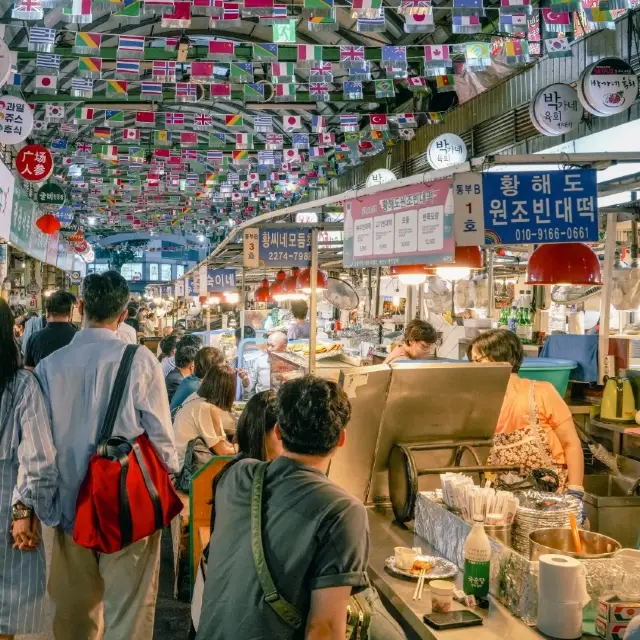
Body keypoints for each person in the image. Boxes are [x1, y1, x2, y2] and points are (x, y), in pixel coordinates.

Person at [34, 271, 178, 640]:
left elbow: (39, 443)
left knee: (74, 616)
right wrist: (167, 479)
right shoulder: (141, 360)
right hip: (128, 508)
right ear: (125, 313)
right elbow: (163, 439)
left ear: (81, 307)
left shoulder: (50, 367)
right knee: (128, 614)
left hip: (70, 508)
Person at [195, 376, 368, 640]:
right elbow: (325, 629)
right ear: (341, 438)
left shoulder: (237, 474)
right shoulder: (344, 512)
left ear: (278, 431)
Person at [0, 299, 59, 640]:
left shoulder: (22, 384)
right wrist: (23, 509)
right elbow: (39, 458)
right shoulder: (22, 385)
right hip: (8, 510)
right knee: (6, 608)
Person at [470, 329, 584, 497]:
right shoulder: (480, 403)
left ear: (500, 358)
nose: (473, 368)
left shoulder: (542, 393)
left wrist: (576, 490)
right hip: (505, 497)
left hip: (551, 494)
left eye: (477, 360)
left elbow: (571, 444)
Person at [173, 365, 237, 472]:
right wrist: (239, 447)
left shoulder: (195, 397)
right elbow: (223, 452)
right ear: (228, 390)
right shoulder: (206, 408)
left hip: (179, 462)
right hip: (185, 471)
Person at [23, 290, 77, 369]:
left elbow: (29, 372)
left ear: (47, 313)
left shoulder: (34, 339)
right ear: (70, 313)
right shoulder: (80, 337)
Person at [170, 346, 225, 412]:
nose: (224, 372)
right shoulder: (198, 388)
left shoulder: (190, 380)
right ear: (212, 369)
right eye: (222, 368)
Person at [243, 330, 288, 398]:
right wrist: (245, 379)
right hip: (262, 403)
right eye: (268, 345)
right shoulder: (260, 361)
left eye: (272, 346)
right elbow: (249, 387)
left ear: (283, 347)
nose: (269, 349)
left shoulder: (291, 364)